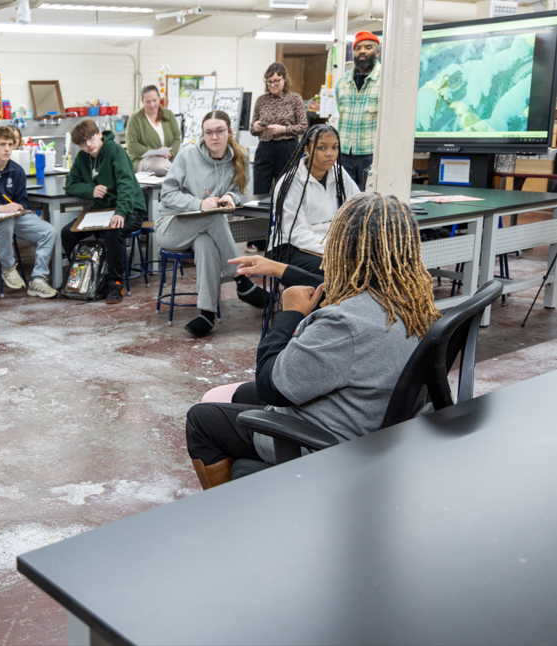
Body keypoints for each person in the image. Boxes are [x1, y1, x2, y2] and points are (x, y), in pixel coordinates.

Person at [185, 192, 442, 490]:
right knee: (243, 394)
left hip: (331, 441)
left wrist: (289, 313)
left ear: (343, 249)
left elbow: (272, 386)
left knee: (201, 420)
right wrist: (276, 268)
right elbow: (330, 289)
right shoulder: (411, 301)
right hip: (371, 418)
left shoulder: (345, 323)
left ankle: (227, 507)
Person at [157, 110, 266, 338]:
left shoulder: (240, 157)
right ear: (203, 134)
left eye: (219, 131)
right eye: (208, 132)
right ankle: (241, 280)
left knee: (207, 244)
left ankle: (207, 314)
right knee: (214, 217)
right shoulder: (187, 155)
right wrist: (199, 204)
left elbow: (239, 191)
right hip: (171, 226)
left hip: (204, 229)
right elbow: (167, 195)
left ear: (229, 132)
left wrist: (230, 197)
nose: (214, 137)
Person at [0, 126, 57, 298]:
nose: (7, 149)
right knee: (4, 223)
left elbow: (22, 200)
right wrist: (0, 208)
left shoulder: (17, 170)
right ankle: (7, 268)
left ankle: (38, 280)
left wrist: (19, 207)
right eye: (2, 144)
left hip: (11, 218)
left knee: (48, 231)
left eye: (10, 144)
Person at [62, 119, 146, 304]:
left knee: (113, 229)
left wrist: (120, 213)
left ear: (99, 134)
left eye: (90, 138)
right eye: (82, 143)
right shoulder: (83, 158)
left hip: (130, 210)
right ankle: (82, 279)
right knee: (67, 233)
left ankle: (115, 283)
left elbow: (126, 185)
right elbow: (71, 183)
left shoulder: (115, 151)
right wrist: (90, 190)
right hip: (101, 211)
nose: (88, 145)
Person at [268, 124, 361, 276]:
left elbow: (358, 209)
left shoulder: (339, 174)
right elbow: (296, 233)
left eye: (335, 147)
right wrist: (333, 247)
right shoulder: (291, 182)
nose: (330, 154)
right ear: (307, 150)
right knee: (336, 270)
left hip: (331, 244)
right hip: (290, 247)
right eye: (322, 148)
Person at [249, 63, 308, 195]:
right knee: (260, 189)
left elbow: (303, 127)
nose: (272, 85)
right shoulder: (261, 100)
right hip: (265, 148)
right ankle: (259, 215)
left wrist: (283, 129)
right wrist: (256, 127)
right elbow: (252, 129)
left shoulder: (295, 99)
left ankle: (283, 215)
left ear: (284, 79)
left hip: (286, 148)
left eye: (276, 81)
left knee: (285, 190)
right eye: (269, 82)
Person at [336, 31, 382, 190]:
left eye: (368, 47)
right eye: (358, 48)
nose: (362, 51)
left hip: (371, 155)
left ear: (377, 53)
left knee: (369, 201)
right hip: (344, 153)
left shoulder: (385, 80)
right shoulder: (342, 82)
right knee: (344, 200)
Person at [126, 85, 181, 176]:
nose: (152, 105)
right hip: (144, 160)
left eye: (154, 100)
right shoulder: (135, 118)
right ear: (142, 101)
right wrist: (156, 152)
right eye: (148, 102)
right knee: (161, 166)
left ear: (159, 99)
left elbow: (177, 138)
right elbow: (132, 146)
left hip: (168, 159)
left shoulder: (169, 115)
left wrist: (171, 153)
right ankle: (178, 175)